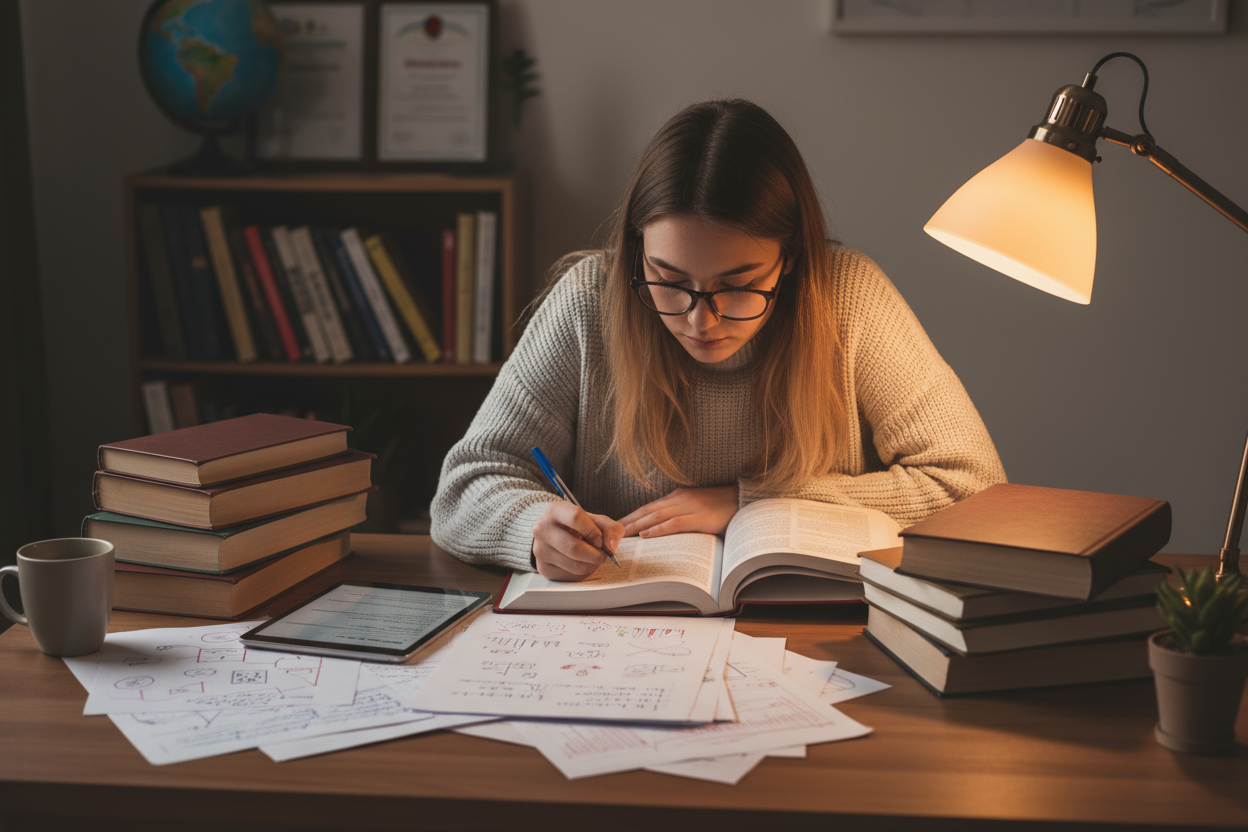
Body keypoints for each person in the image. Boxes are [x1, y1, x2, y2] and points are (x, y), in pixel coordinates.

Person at [431, 98, 1006, 581]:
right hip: (620, 629)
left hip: (814, 628)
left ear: (791, 259)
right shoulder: (591, 300)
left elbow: (973, 488)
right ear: (637, 252)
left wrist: (748, 502)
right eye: (669, 280)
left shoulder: (847, 296)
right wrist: (534, 530)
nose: (700, 322)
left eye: (738, 285)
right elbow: (465, 486)